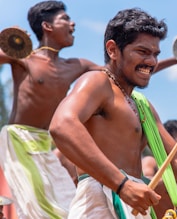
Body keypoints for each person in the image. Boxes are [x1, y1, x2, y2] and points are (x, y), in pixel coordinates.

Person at [49, 8, 177, 219]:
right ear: (113, 50)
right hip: (99, 202)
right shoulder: (97, 81)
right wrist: (121, 184)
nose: (151, 62)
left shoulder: (141, 104)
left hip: (133, 203)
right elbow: (62, 125)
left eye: (155, 54)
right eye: (142, 52)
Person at [0, 1, 105, 218]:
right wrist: (7, 39)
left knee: (68, 205)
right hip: (18, 139)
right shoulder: (24, 57)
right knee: (38, 208)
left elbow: (120, 74)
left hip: (46, 142)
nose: (72, 23)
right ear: (47, 26)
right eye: (65, 19)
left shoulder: (77, 65)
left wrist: (173, 59)